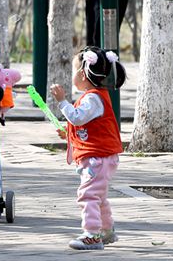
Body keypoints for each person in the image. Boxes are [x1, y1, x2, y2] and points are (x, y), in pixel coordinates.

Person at [49, 46, 126, 250]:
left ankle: (92, 234)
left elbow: (76, 116)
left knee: (88, 195)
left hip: (97, 158)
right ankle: (106, 231)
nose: (72, 75)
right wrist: (70, 134)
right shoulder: (95, 96)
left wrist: (61, 102)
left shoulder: (92, 97)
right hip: (101, 158)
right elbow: (87, 125)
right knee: (98, 196)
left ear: (82, 74)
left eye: (73, 70)